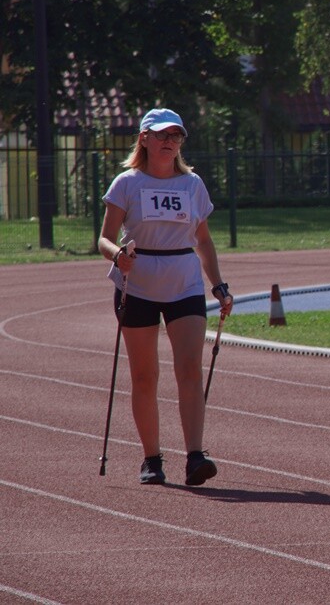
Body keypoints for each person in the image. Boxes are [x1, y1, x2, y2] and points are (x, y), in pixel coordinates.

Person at [98, 108, 233, 487]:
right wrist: (118, 255)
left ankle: (195, 457)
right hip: (136, 283)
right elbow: (104, 238)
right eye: (161, 135)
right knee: (144, 375)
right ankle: (152, 459)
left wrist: (218, 285)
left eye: (176, 136)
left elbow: (203, 240)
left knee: (189, 368)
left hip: (184, 283)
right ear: (144, 138)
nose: (169, 142)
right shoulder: (127, 183)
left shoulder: (192, 185)